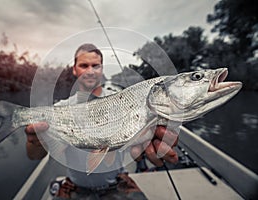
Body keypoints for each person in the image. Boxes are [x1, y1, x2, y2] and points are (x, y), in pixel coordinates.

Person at [25, 43, 179, 199]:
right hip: (75, 186)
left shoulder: (124, 99)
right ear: (74, 69)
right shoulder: (60, 108)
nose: (90, 71)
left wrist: (150, 132)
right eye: (84, 65)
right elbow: (35, 156)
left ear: (102, 69)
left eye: (95, 66)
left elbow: (142, 128)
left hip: (118, 183)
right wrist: (35, 141)